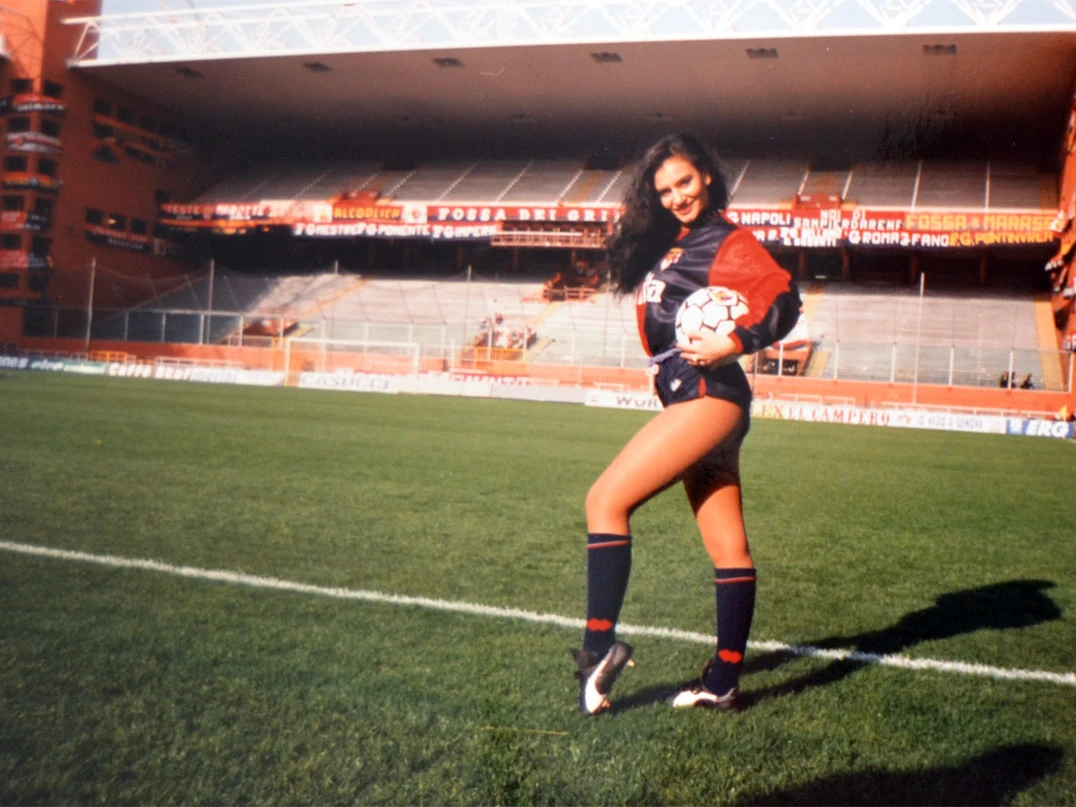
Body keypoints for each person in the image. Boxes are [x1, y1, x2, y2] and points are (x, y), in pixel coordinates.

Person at [570, 133, 802, 716]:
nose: (677, 196)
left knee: (605, 501)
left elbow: (783, 297)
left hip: (708, 396)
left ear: (707, 177)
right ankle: (722, 682)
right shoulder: (674, 243)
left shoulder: (725, 240)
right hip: (696, 396)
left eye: (685, 182)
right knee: (728, 546)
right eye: (665, 190)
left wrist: (736, 341)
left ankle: (597, 648)